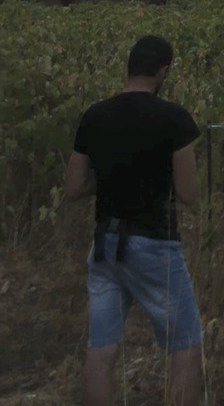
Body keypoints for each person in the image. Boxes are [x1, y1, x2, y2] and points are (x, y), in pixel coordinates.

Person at [64, 34, 203, 406]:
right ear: (163, 71)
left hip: (105, 246)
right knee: (185, 346)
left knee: (102, 347)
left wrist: (111, 178)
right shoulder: (175, 119)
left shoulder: (94, 115)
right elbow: (189, 194)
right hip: (155, 245)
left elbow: (74, 187)